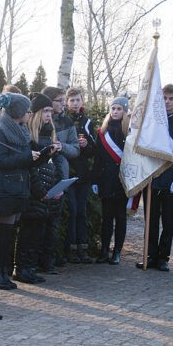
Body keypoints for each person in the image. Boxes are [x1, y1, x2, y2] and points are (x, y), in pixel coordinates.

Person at [137, 84, 173, 272]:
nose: (167, 102)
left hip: (171, 180)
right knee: (150, 220)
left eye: (171, 99)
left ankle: (163, 257)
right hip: (152, 178)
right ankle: (150, 255)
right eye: (164, 98)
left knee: (167, 221)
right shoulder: (152, 122)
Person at [0, 92, 39, 290]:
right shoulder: (0, 132)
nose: (29, 114)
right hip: (5, 189)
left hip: (19, 187)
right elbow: (0, 162)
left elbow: (26, 158)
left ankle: (3, 271)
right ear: (18, 112)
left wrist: (42, 155)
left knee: (10, 232)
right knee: (4, 233)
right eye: (27, 111)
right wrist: (28, 157)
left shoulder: (21, 131)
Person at [15, 93, 64, 283]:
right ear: (35, 113)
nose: (49, 115)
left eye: (51, 111)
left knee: (38, 232)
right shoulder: (28, 137)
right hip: (34, 193)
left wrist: (57, 186)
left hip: (47, 192)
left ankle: (30, 267)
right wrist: (40, 191)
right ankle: (21, 268)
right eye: (45, 111)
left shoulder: (49, 134)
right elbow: (31, 169)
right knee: (28, 232)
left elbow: (55, 164)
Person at [42, 86, 81, 264]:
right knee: (38, 220)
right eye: (59, 100)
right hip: (41, 177)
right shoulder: (38, 119)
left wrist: (61, 147)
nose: (63, 104)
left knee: (55, 221)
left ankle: (51, 259)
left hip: (60, 176)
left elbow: (75, 149)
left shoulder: (67, 122)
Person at [91, 97, 130, 265]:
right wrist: (95, 180)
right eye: (113, 108)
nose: (115, 111)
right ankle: (104, 250)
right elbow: (98, 159)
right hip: (106, 180)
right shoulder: (102, 132)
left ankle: (117, 252)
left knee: (120, 217)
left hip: (123, 181)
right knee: (106, 218)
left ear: (125, 111)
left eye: (119, 109)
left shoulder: (130, 132)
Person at [64, 87, 95, 263]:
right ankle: (70, 248)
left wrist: (86, 145)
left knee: (81, 211)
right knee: (72, 210)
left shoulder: (87, 122)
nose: (75, 104)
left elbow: (93, 150)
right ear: (67, 102)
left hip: (83, 174)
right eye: (72, 100)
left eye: (78, 100)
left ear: (82, 101)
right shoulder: (64, 121)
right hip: (69, 171)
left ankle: (82, 248)